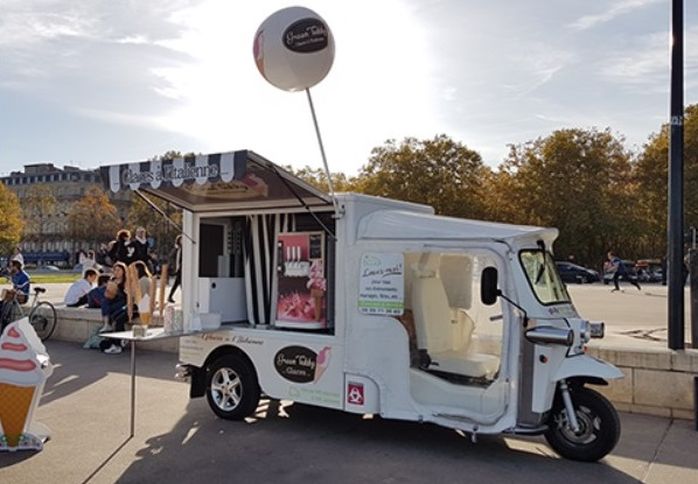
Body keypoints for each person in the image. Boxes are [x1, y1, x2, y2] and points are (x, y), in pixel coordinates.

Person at [0, 260, 30, 334]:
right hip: (15, 296)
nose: (10, 268)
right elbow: (14, 286)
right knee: (2, 303)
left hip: (22, 296)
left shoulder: (24, 276)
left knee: (7, 306)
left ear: (16, 267)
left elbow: (23, 288)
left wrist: (16, 290)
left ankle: (3, 329)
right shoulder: (14, 275)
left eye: (11, 266)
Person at [167, 235, 182, 303]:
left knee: (178, 283)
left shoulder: (185, 249)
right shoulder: (177, 249)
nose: (182, 241)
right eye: (181, 240)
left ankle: (170, 296)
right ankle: (170, 296)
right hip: (179, 268)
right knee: (179, 283)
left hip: (181, 269)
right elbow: (171, 257)